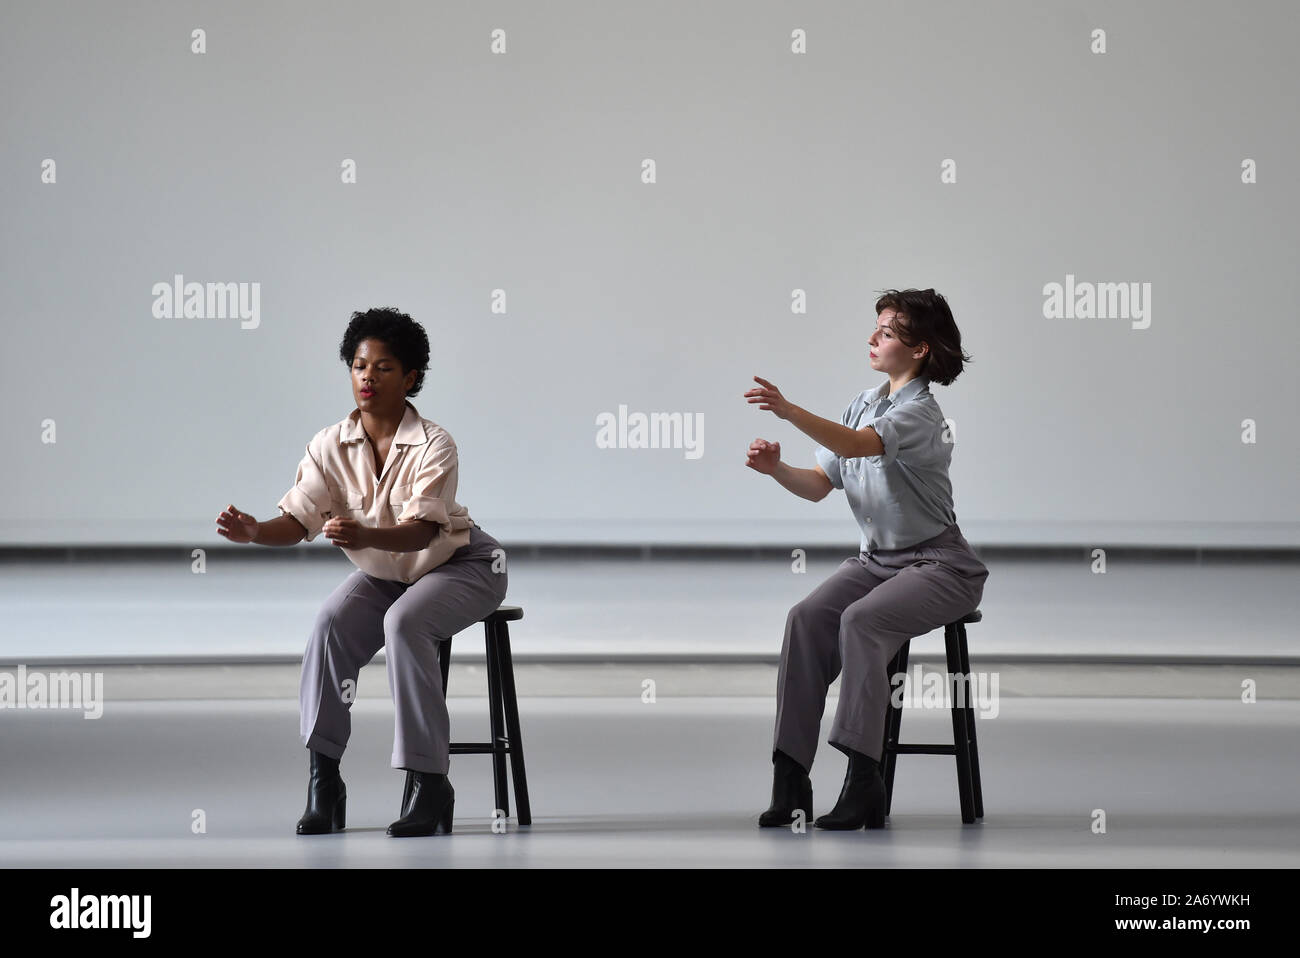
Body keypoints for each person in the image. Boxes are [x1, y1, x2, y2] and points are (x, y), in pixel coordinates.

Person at [215, 306, 508, 837]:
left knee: (405, 623)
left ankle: (429, 780)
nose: (368, 376)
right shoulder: (329, 445)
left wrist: (364, 534)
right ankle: (324, 782)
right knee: (329, 623)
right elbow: (296, 519)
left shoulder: (435, 443)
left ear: (411, 377)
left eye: (384, 367)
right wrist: (255, 531)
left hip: (463, 564)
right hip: (388, 573)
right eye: (358, 365)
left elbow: (422, 533)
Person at [743, 287, 989, 829]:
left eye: (887, 330)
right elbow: (817, 486)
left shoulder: (922, 414)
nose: (873, 338)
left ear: (919, 349)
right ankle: (791, 780)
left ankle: (864, 781)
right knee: (805, 620)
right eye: (875, 327)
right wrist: (777, 470)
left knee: (862, 621)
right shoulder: (863, 402)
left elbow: (857, 446)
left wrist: (787, 411)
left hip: (941, 566)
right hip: (877, 561)